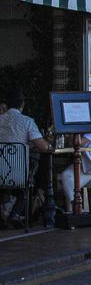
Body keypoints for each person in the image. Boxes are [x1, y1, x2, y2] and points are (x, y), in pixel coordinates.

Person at [0, 92, 50, 229]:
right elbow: (43, 147)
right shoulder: (26, 122)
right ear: (22, 105)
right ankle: (15, 213)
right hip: (18, 174)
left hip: (0, 172)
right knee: (29, 181)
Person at [60, 133, 91, 213]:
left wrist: (71, 131)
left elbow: (78, 143)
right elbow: (66, 144)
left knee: (69, 181)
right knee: (65, 176)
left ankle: (74, 208)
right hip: (81, 164)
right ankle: (75, 208)